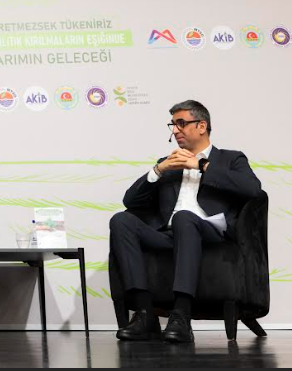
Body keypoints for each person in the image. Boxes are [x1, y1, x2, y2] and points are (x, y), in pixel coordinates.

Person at [109, 100, 261, 343]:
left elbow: (252, 189)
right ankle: (145, 314)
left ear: (202, 126)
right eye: (173, 125)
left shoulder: (231, 159)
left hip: (209, 233)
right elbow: (130, 201)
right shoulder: (169, 163)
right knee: (120, 220)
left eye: (181, 123)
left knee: (184, 217)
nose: (175, 130)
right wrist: (158, 170)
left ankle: (181, 315)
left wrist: (201, 165)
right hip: (170, 234)